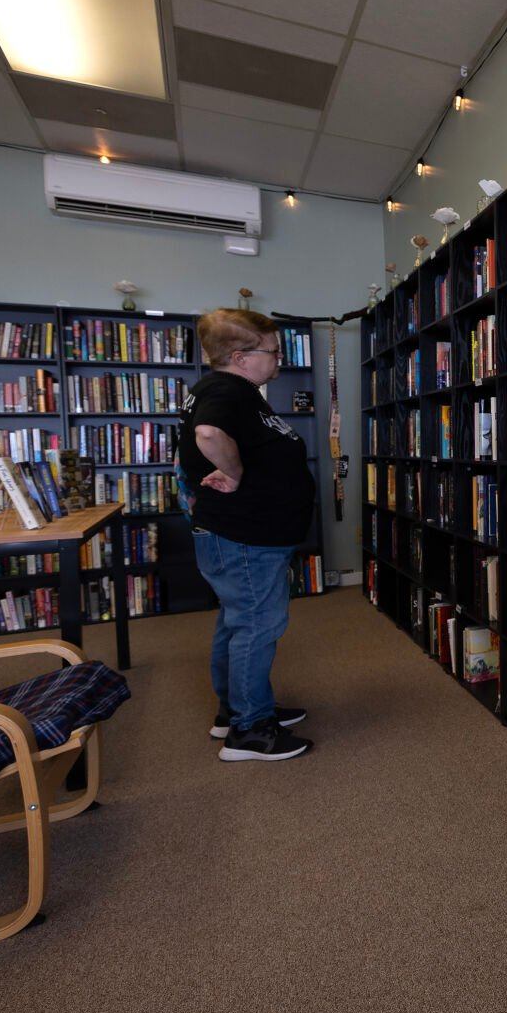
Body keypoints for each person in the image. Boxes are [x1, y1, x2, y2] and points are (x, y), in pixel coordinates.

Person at [179, 309, 317, 761]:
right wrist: (233, 473)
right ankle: (250, 730)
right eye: (272, 352)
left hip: (243, 534)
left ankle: (235, 710)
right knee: (257, 626)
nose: (278, 359)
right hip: (244, 536)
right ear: (240, 357)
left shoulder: (233, 390)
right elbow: (208, 433)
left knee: (238, 622)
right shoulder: (225, 389)